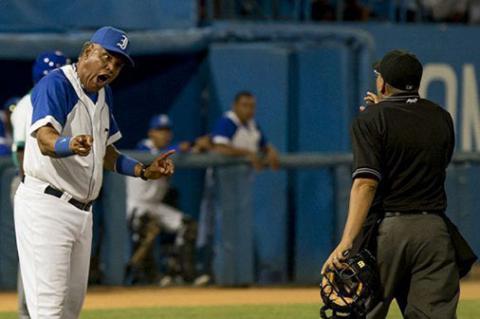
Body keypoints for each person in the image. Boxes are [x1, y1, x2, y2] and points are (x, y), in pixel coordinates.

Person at [14, 26, 174, 319]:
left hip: (82, 212)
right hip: (46, 207)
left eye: (118, 63)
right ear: (87, 51)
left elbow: (107, 153)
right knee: (48, 311)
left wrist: (142, 170)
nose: (111, 67)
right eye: (106, 57)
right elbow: (46, 139)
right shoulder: (57, 84)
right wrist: (69, 144)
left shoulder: (103, 94)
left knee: (70, 310)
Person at [322, 50, 461, 318]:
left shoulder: (371, 119)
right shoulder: (441, 116)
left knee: (362, 311)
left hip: (388, 232)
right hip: (434, 231)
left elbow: (365, 183)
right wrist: (385, 110)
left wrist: (347, 240)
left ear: (383, 84)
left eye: (378, 76)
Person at [194, 91, 280, 286]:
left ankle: (238, 278)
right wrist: (248, 154)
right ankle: (213, 275)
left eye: (252, 105)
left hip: (241, 185)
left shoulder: (252, 124)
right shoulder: (228, 121)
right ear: (235, 105)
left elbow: (264, 145)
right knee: (217, 229)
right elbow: (219, 148)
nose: (249, 109)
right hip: (220, 184)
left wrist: (271, 150)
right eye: (244, 105)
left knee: (240, 231)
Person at [9, 50, 69, 319]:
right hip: (33, 185)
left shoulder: (59, 98)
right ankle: (27, 313)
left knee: (50, 259)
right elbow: (23, 152)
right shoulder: (27, 103)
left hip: (53, 185)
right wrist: (35, 191)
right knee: (34, 255)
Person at [125, 114, 209, 286]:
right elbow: (154, 156)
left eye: (166, 131)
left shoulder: (170, 151)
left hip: (156, 205)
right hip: (137, 206)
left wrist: (197, 147)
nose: (164, 134)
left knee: (188, 225)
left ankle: (184, 274)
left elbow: (184, 151)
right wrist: (183, 147)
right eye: (159, 130)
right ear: (151, 133)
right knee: (146, 226)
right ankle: (152, 278)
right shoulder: (143, 147)